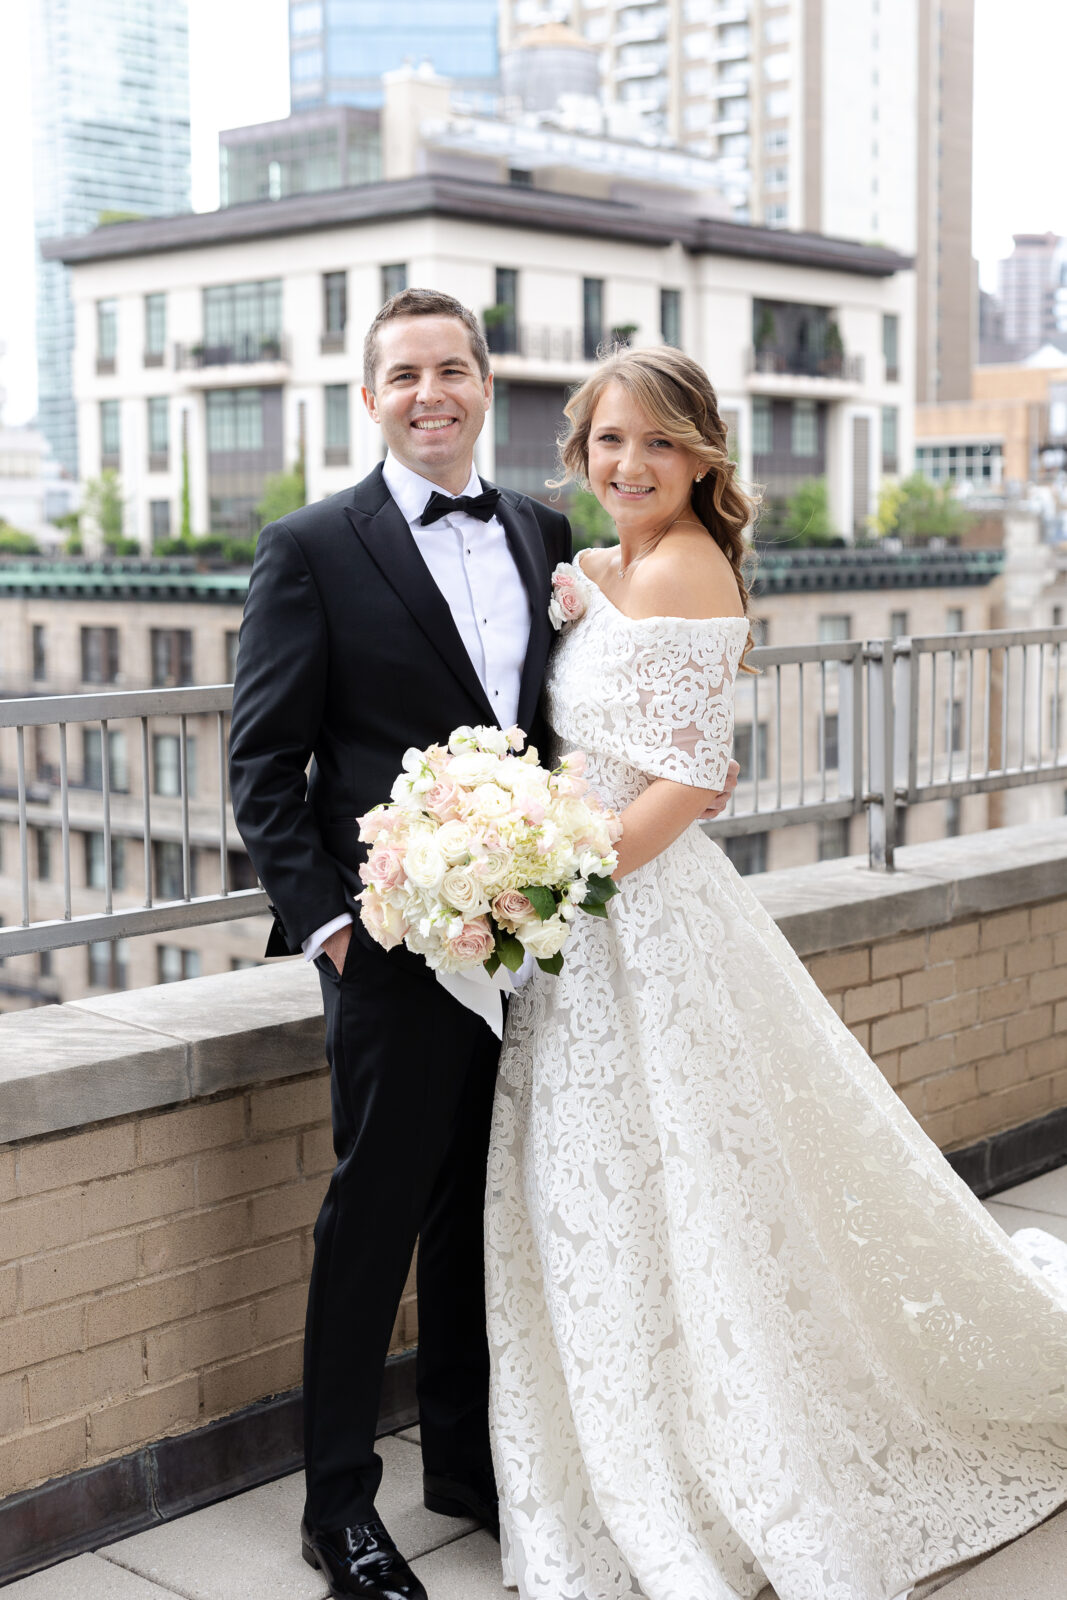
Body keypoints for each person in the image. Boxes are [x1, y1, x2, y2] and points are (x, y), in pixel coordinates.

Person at [485, 344, 1067, 1600]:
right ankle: (618, 1436)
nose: (627, 465)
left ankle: (708, 1456)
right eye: (606, 442)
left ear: (701, 457)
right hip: (580, 913)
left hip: (629, 913)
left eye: (655, 443)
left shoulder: (690, 570)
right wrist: (581, 589)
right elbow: (600, 679)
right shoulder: (615, 563)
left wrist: (552, 892)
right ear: (580, 453)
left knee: (674, 1182)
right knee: (606, 1187)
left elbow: (690, 784)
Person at [229, 286, 739, 1600]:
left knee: (480, 1212)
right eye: (404, 374)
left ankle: (465, 1463)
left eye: (451, 368)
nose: (430, 393)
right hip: (395, 950)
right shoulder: (308, 548)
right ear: (370, 396)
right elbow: (262, 764)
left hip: (531, 947)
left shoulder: (544, 532)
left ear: (484, 384)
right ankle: (336, 1506)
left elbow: (586, 721)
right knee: (376, 1217)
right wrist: (336, 928)